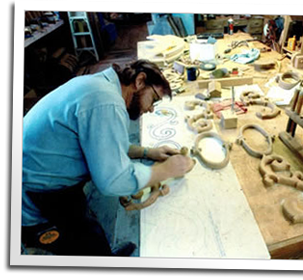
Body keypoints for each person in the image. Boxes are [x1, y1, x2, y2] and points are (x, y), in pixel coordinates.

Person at [21, 59, 195, 256]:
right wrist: (166, 170)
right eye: (154, 100)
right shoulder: (106, 102)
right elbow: (113, 181)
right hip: (37, 194)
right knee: (83, 246)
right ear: (139, 81)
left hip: (44, 175)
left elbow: (102, 141)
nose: (151, 109)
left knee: (91, 233)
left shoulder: (102, 86)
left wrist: (147, 152)